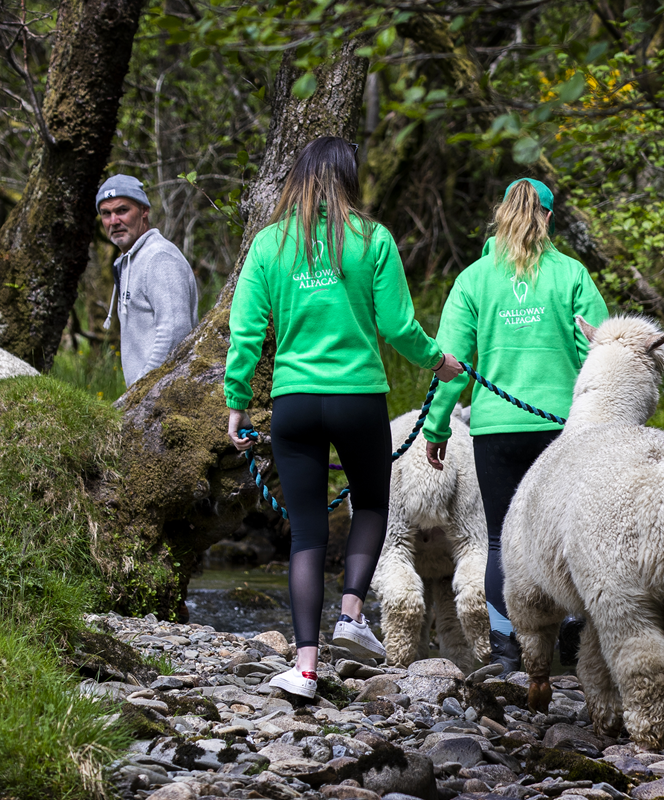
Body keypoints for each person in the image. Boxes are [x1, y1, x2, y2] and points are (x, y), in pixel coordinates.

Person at [224, 136, 464, 698]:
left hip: (295, 402)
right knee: (373, 505)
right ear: (347, 178)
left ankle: (305, 670)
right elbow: (400, 328)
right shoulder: (372, 239)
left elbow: (245, 334)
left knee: (306, 533)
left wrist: (236, 402)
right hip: (359, 398)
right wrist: (439, 362)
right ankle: (351, 616)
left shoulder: (268, 245)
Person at [422, 178, 609, 674]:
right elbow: (600, 354)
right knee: (568, 537)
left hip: (496, 429)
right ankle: (571, 642)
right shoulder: (572, 274)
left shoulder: (474, 279)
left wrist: (438, 425)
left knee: (502, 541)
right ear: (547, 217)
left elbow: (449, 363)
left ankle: (508, 651)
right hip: (564, 430)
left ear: (500, 213)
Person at [97, 174, 199, 385]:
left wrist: (138, 396)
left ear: (144, 211)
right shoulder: (129, 261)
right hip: (149, 399)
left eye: (122, 210)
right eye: (106, 214)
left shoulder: (160, 258)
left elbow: (175, 336)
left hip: (165, 399)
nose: (114, 221)